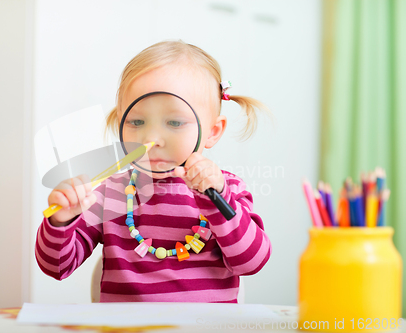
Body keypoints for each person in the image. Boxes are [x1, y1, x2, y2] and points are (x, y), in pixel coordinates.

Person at [35, 40, 272, 303]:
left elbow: (252, 262)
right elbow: (56, 267)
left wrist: (219, 199)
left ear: (213, 131)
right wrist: (61, 221)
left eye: (174, 122)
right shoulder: (110, 193)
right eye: (137, 121)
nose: (153, 138)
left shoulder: (228, 188)